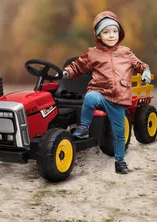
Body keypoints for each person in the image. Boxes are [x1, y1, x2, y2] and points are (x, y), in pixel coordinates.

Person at [62, 11, 151, 174]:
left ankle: (120, 161)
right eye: (106, 32)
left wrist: (145, 70)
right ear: (98, 35)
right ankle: (83, 128)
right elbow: (78, 66)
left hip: (118, 99)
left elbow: (139, 64)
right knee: (89, 98)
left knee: (119, 133)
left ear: (120, 33)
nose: (111, 35)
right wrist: (68, 71)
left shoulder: (125, 52)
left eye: (114, 31)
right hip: (101, 93)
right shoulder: (92, 53)